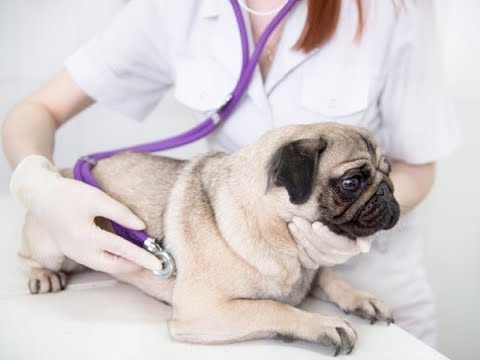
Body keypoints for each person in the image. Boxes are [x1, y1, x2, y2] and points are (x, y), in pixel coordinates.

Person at [2, 0, 458, 347]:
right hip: (237, 271)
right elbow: (36, 109)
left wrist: (347, 232)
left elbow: (418, 167)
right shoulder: (175, 9)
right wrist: (40, 187)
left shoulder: (391, 9)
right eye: (355, 179)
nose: (377, 187)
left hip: (381, 289)